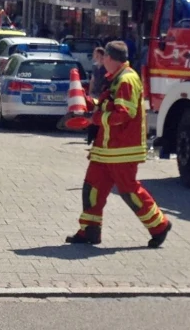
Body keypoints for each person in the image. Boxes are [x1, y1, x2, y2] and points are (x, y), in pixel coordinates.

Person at [66, 40, 171, 248]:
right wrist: (89, 102)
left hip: (122, 149)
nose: (101, 61)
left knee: (129, 191)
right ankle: (89, 230)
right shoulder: (117, 78)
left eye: (103, 57)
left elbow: (123, 114)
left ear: (109, 58)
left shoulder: (126, 80)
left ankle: (159, 225)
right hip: (106, 148)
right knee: (92, 188)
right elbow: (109, 105)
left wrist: (94, 119)